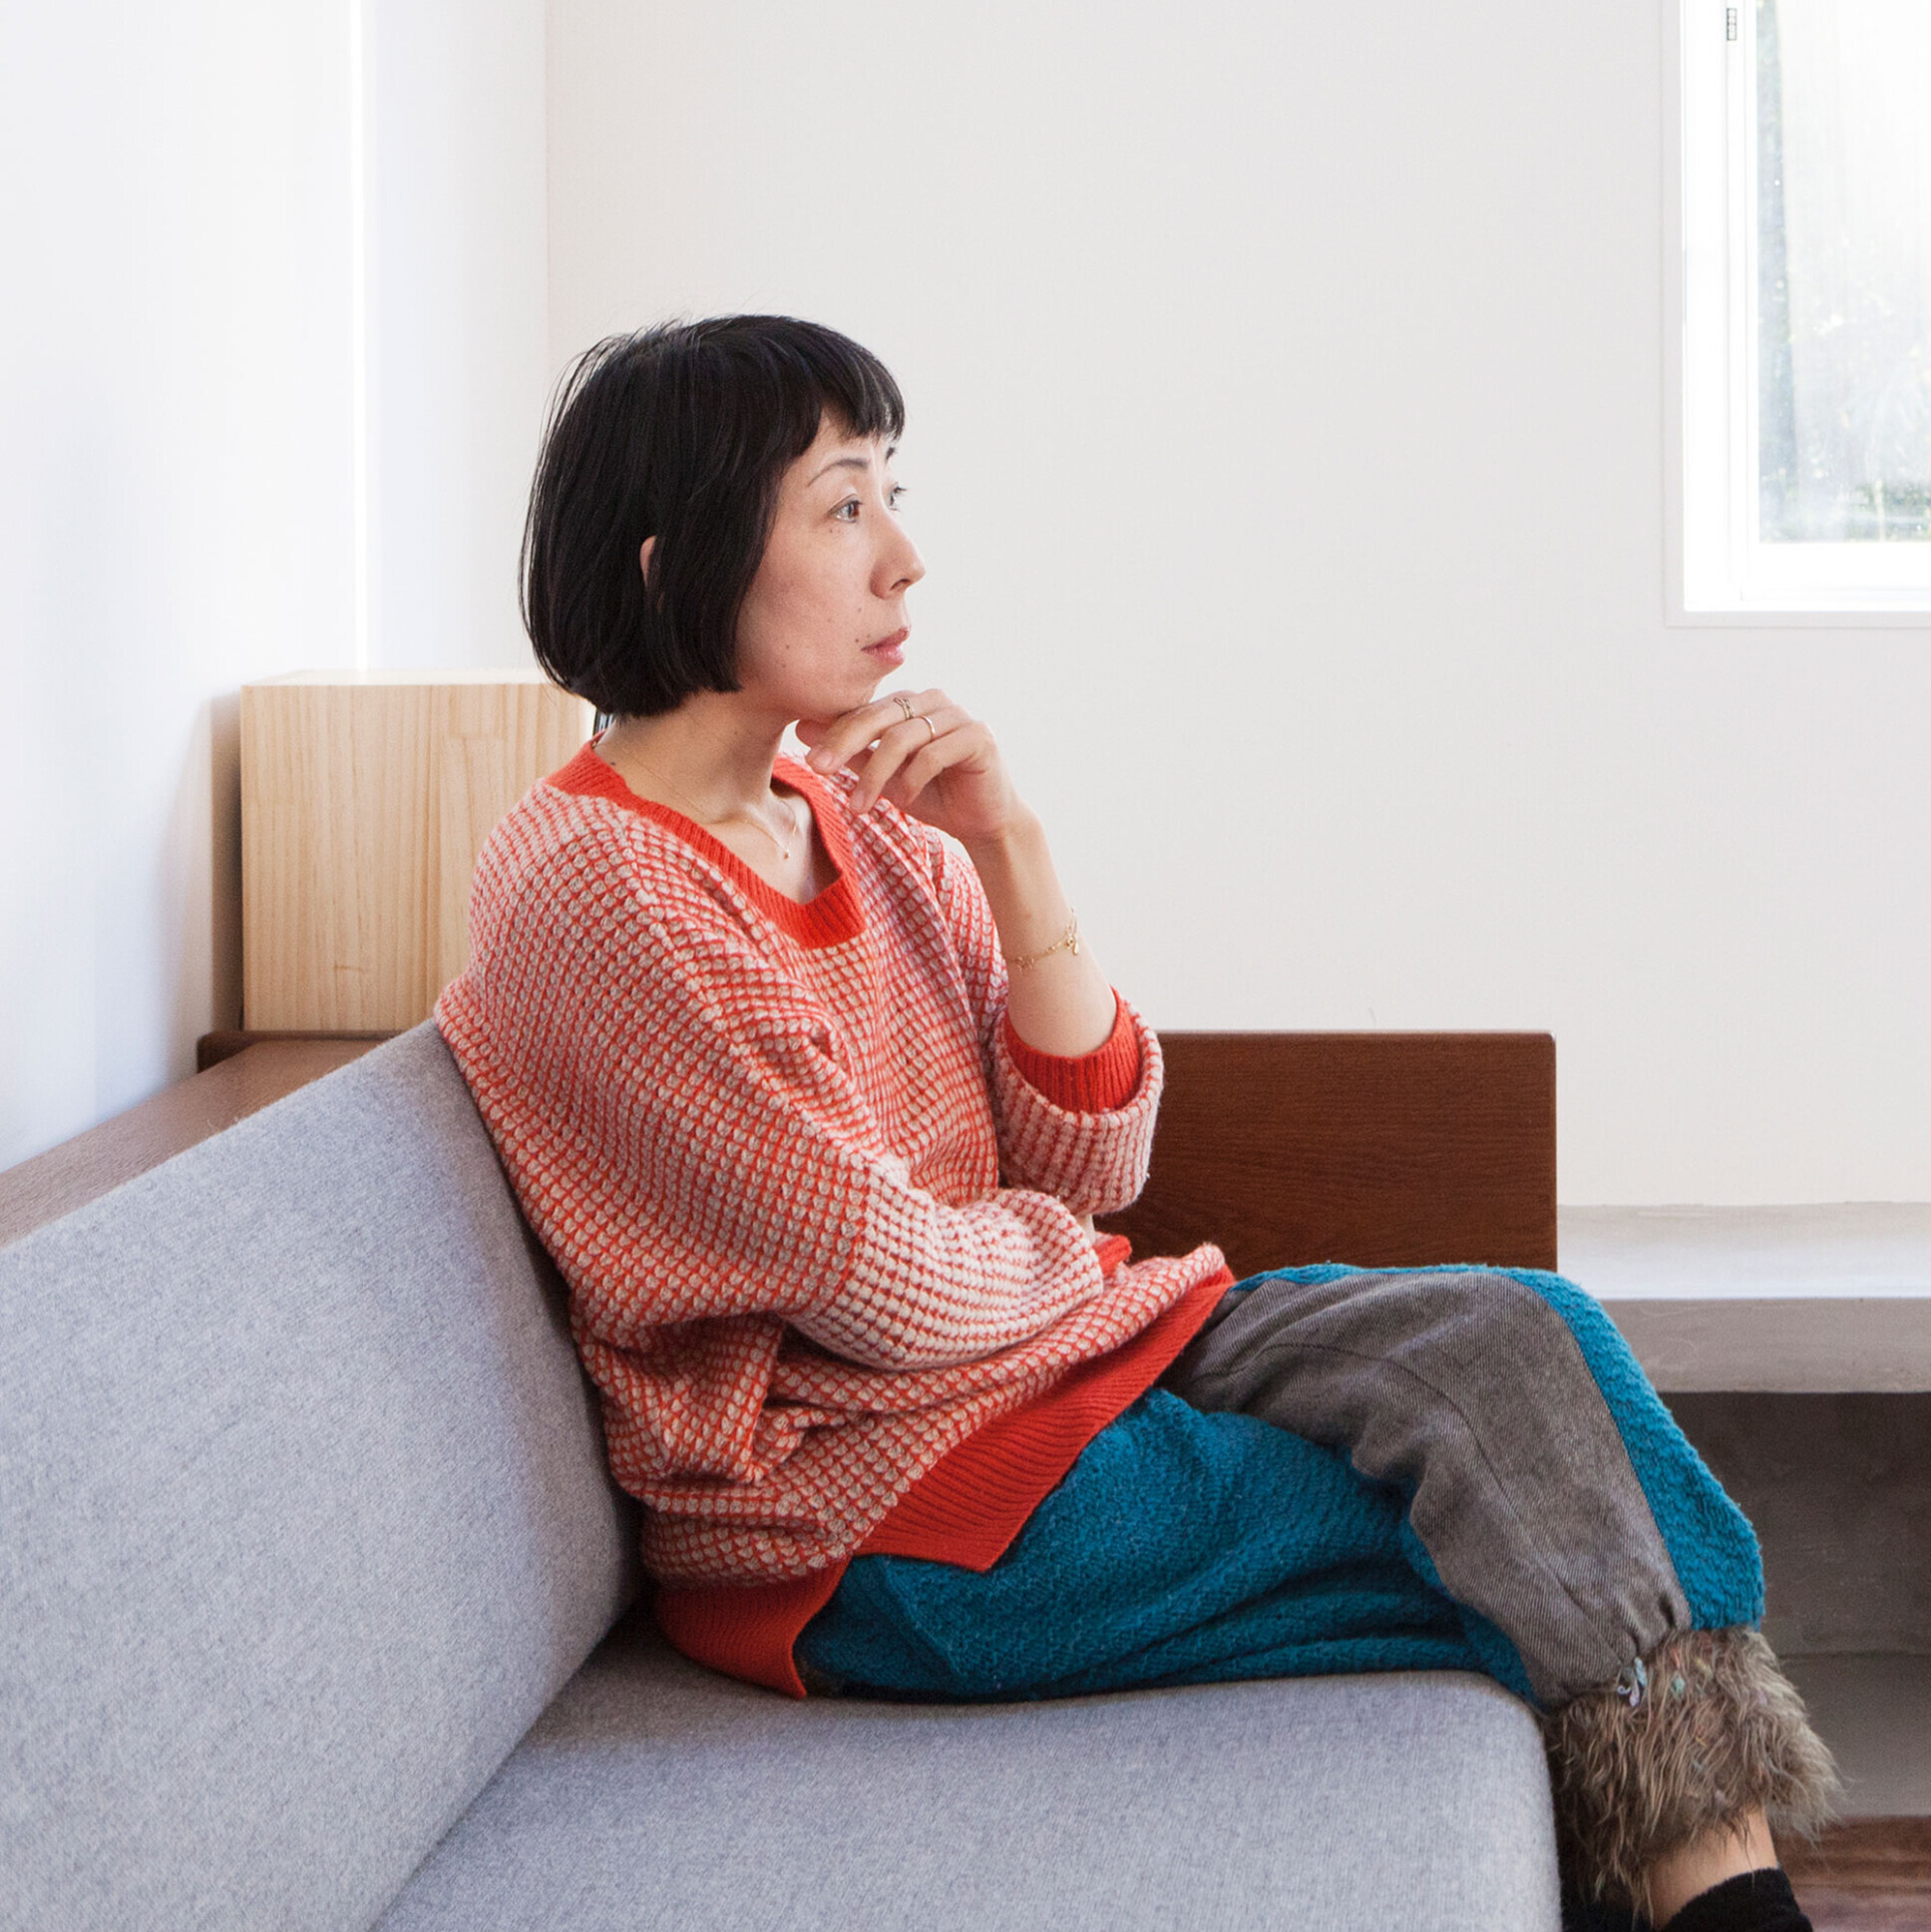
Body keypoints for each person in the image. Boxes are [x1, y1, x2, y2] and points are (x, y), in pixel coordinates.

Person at [435, 315, 1837, 1931]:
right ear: (678, 559)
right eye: (841, 506)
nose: (903, 557)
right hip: (875, 1518)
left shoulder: (851, 817)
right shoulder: (596, 892)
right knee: (1517, 1522)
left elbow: (1094, 1165)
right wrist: (1059, 1258)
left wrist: (1011, 850)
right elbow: (884, 1288)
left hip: (1074, 1368)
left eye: (892, 492)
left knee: (1526, 1342)